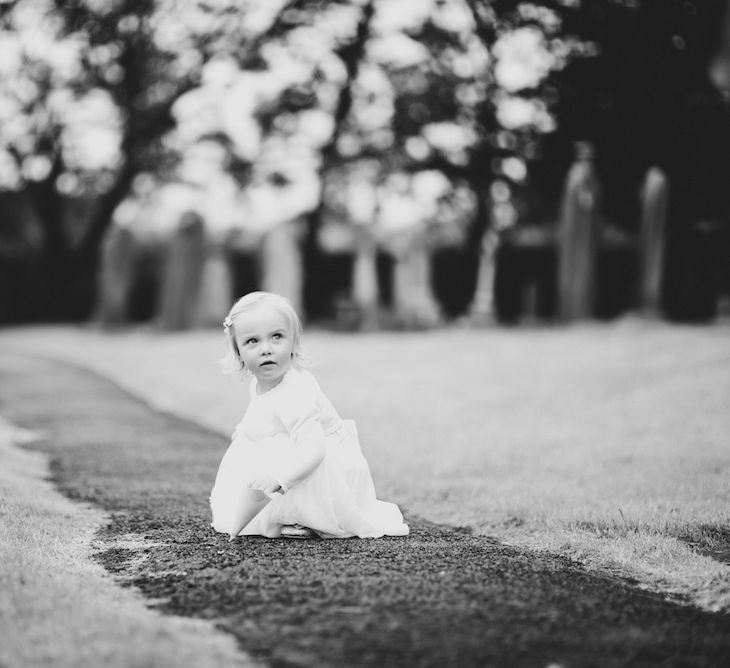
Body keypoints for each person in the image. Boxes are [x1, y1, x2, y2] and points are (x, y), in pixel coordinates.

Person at [209, 291, 409, 540]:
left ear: (293, 342)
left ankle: (305, 517)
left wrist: (279, 478)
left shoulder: (294, 393)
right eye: (252, 341)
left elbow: (314, 451)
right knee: (255, 453)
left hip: (325, 464)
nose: (266, 349)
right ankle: (283, 511)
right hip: (298, 451)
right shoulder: (261, 381)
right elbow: (259, 413)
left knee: (280, 459)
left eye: (277, 337)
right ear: (238, 351)